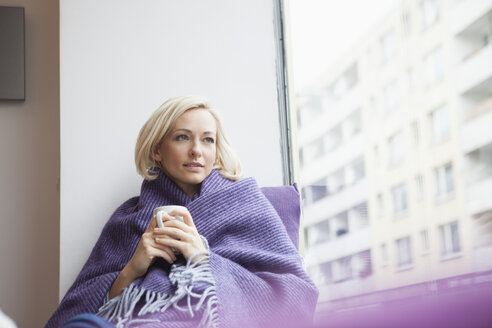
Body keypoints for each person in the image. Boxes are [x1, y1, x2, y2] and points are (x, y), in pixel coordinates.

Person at [45, 95, 318, 328]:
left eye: (208, 140)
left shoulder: (247, 203)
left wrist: (202, 258)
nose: (197, 151)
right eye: (183, 137)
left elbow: (299, 297)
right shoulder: (128, 218)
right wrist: (133, 268)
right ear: (157, 151)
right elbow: (75, 311)